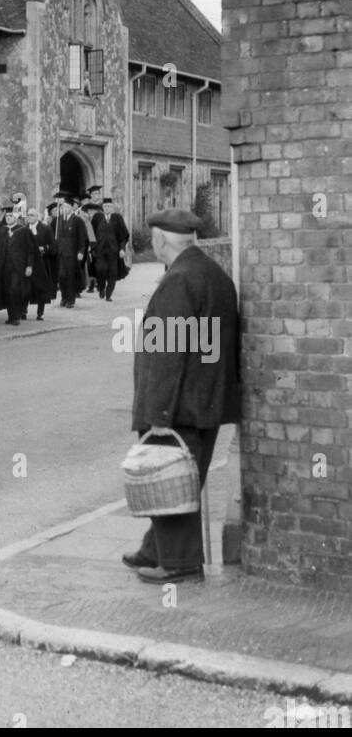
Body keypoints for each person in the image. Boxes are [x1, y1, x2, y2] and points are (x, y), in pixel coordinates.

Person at [125, 209, 241, 585]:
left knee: (170, 475)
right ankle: (155, 548)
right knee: (183, 477)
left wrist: (158, 411)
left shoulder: (178, 281)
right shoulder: (213, 274)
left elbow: (166, 354)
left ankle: (179, 561)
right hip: (206, 400)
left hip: (179, 405)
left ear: (159, 241)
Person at [51, 195, 88, 308]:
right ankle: (63, 297)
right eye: (63, 207)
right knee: (61, 277)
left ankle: (70, 300)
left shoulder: (78, 220)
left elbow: (83, 238)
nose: (65, 209)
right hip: (60, 253)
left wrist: (81, 251)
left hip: (72, 254)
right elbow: (52, 234)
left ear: (72, 207)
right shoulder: (58, 220)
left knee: (70, 277)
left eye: (67, 207)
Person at [92, 197, 130, 301]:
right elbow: (91, 234)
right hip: (100, 250)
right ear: (102, 207)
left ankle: (109, 294)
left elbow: (123, 236)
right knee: (100, 269)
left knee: (112, 273)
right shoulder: (97, 218)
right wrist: (92, 247)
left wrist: (122, 249)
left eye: (109, 206)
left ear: (112, 207)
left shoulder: (117, 218)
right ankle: (101, 287)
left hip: (113, 251)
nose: (107, 208)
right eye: (105, 206)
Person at [25, 207, 56, 320]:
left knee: (41, 287)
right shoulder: (24, 229)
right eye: (28, 215)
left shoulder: (45, 229)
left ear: (37, 217)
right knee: (26, 287)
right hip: (28, 263)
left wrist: (44, 248)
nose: (29, 217)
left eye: (32, 215)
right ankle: (24, 311)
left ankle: (40, 313)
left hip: (42, 263)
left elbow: (53, 247)